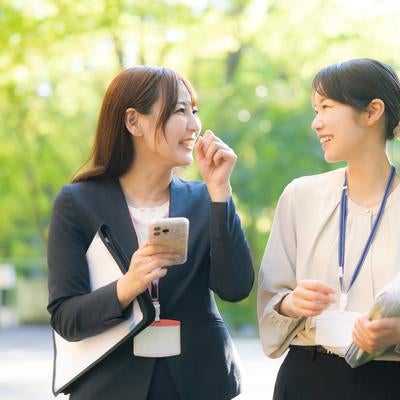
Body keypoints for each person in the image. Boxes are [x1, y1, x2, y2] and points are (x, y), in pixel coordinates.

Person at [47, 65, 254, 400]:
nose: (195, 125)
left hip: (198, 383)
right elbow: (66, 318)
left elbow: (236, 287)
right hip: (111, 385)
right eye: (180, 111)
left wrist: (220, 193)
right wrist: (125, 288)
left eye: (195, 111)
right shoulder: (77, 203)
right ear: (133, 121)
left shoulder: (205, 199)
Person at [257, 58, 400, 399]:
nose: (315, 123)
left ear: (372, 112)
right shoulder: (300, 196)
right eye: (314, 110)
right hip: (307, 377)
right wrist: (291, 303)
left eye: (326, 107)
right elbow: (270, 303)